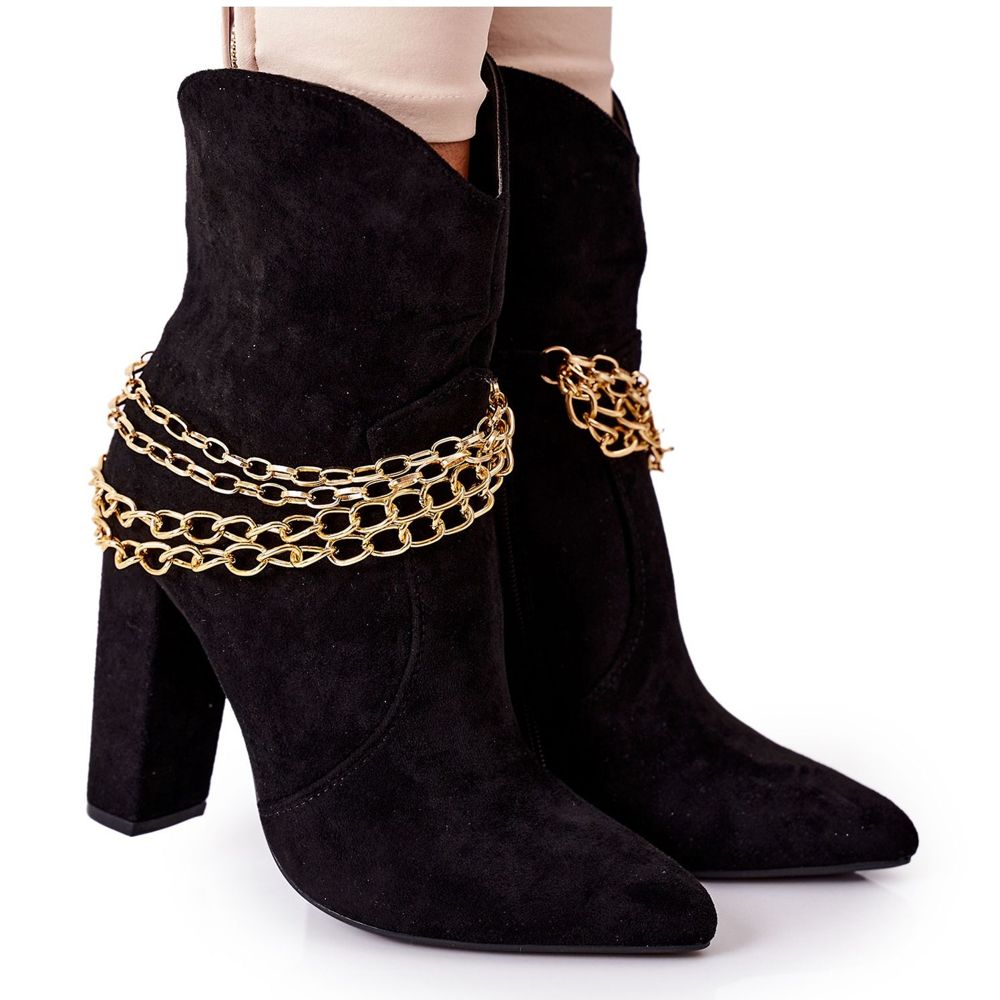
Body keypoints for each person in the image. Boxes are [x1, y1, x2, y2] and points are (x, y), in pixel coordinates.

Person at [86, 6, 916, 953]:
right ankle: (413, 715)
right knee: (399, 52)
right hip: (293, 484)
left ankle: (579, 706)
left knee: (541, 48)